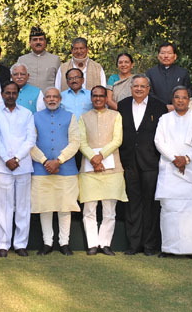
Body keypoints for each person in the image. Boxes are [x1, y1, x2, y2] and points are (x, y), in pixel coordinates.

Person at [154, 86, 192, 258]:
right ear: (172, 99)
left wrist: (186, 159)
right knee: (170, 211)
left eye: (184, 97)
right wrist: (174, 159)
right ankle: (169, 249)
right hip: (170, 170)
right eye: (177, 97)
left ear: (189, 100)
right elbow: (159, 141)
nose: (180, 100)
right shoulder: (164, 119)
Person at [117, 74, 165, 255]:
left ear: (148, 88)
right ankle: (134, 245)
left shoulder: (159, 106)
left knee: (150, 205)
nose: (138, 89)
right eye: (135, 86)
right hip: (129, 162)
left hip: (150, 162)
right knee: (132, 205)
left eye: (142, 86)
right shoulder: (122, 105)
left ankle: (150, 245)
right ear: (131, 87)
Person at [30, 87, 81, 256]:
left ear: (60, 99)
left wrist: (59, 160)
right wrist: (45, 161)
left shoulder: (70, 116)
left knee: (64, 206)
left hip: (66, 169)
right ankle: (47, 243)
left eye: (55, 97)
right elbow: (30, 142)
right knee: (45, 206)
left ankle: (64, 243)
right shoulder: (35, 117)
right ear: (44, 100)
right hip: (41, 169)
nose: (51, 99)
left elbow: (75, 142)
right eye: (48, 97)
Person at [79, 85, 128, 256]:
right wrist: (93, 158)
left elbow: (117, 140)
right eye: (95, 96)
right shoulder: (83, 117)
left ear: (107, 98)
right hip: (89, 168)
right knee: (89, 209)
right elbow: (81, 141)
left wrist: (100, 156)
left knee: (109, 209)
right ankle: (92, 244)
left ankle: (105, 243)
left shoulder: (116, 116)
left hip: (112, 168)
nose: (98, 99)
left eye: (101, 96)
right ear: (91, 98)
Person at [0, 82, 37, 257]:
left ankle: (20, 244)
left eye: (13, 93)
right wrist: (6, 159)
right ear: (2, 94)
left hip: (23, 165)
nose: (10, 96)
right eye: (7, 93)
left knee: (23, 207)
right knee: (3, 207)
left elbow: (31, 138)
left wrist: (17, 158)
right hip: (2, 167)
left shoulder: (27, 113)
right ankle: (2, 244)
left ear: (18, 94)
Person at [146, 42, 190, 111]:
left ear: (175, 56)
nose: (166, 56)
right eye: (163, 53)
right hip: (156, 110)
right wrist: (164, 106)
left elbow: (187, 92)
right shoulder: (150, 73)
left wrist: (175, 105)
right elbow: (149, 93)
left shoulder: (183, 73)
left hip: (177, 110)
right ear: (158, 56)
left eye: (169, 53)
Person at [18, 26, 61, 92]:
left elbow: (59, 82)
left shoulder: (55, 60)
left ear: (45, 42)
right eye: (35, 40)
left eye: (41, 39)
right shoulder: (22, 60)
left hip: (48, 99)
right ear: (30, 42)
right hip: (27, 99)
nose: (38, 42)